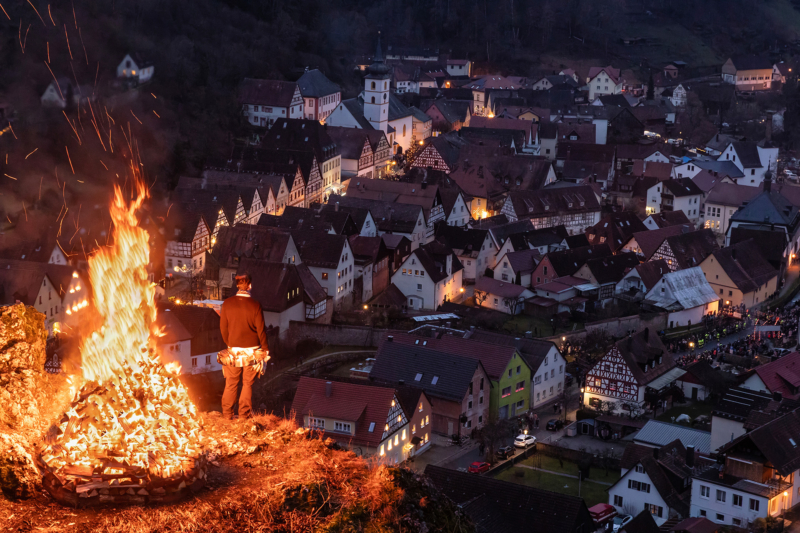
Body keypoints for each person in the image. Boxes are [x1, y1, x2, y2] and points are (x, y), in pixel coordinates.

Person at [219, 272, 269, 420]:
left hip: (233, 350)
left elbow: (223, 328)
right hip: (252, 352)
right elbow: (261, 330)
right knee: (247, 384)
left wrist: (230, 343)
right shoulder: (255, 305)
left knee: (231, 383)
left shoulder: (227, 303)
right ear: (250, 286)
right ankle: (243, 416)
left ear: (237, 285)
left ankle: (227, 415)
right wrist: (265, 349)